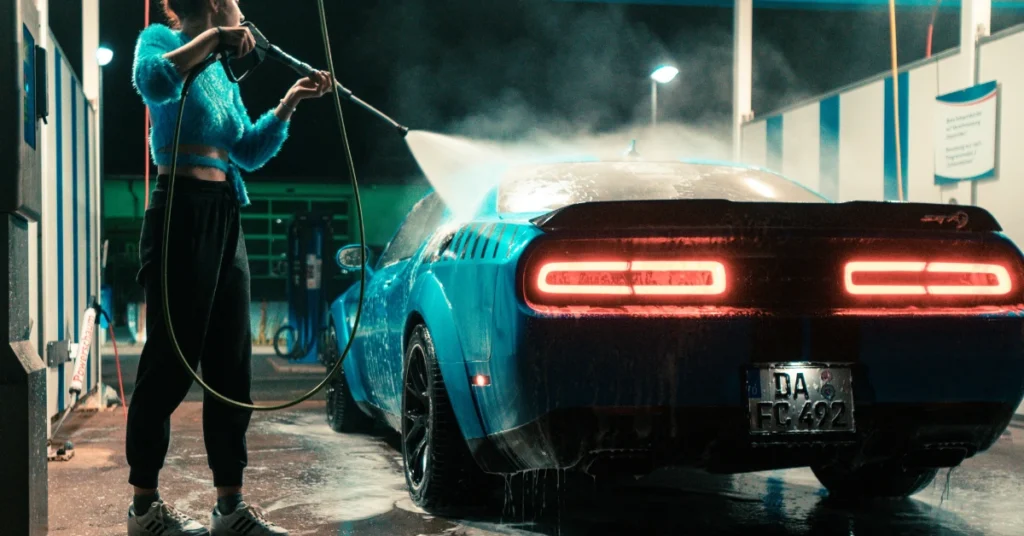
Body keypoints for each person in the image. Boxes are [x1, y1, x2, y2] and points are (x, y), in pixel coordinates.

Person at [127, 1, 332, 535]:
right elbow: (153, 83)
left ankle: (229, 509)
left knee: (230, 364)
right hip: (178, 213)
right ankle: (144, 508)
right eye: (236, 6)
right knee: (170, 363)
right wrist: (215, 38)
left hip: (223, 216)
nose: (245, 15)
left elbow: (247, 149)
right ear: (217, 6)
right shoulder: (159, 41)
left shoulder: (220, 73)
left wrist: (290, 101)